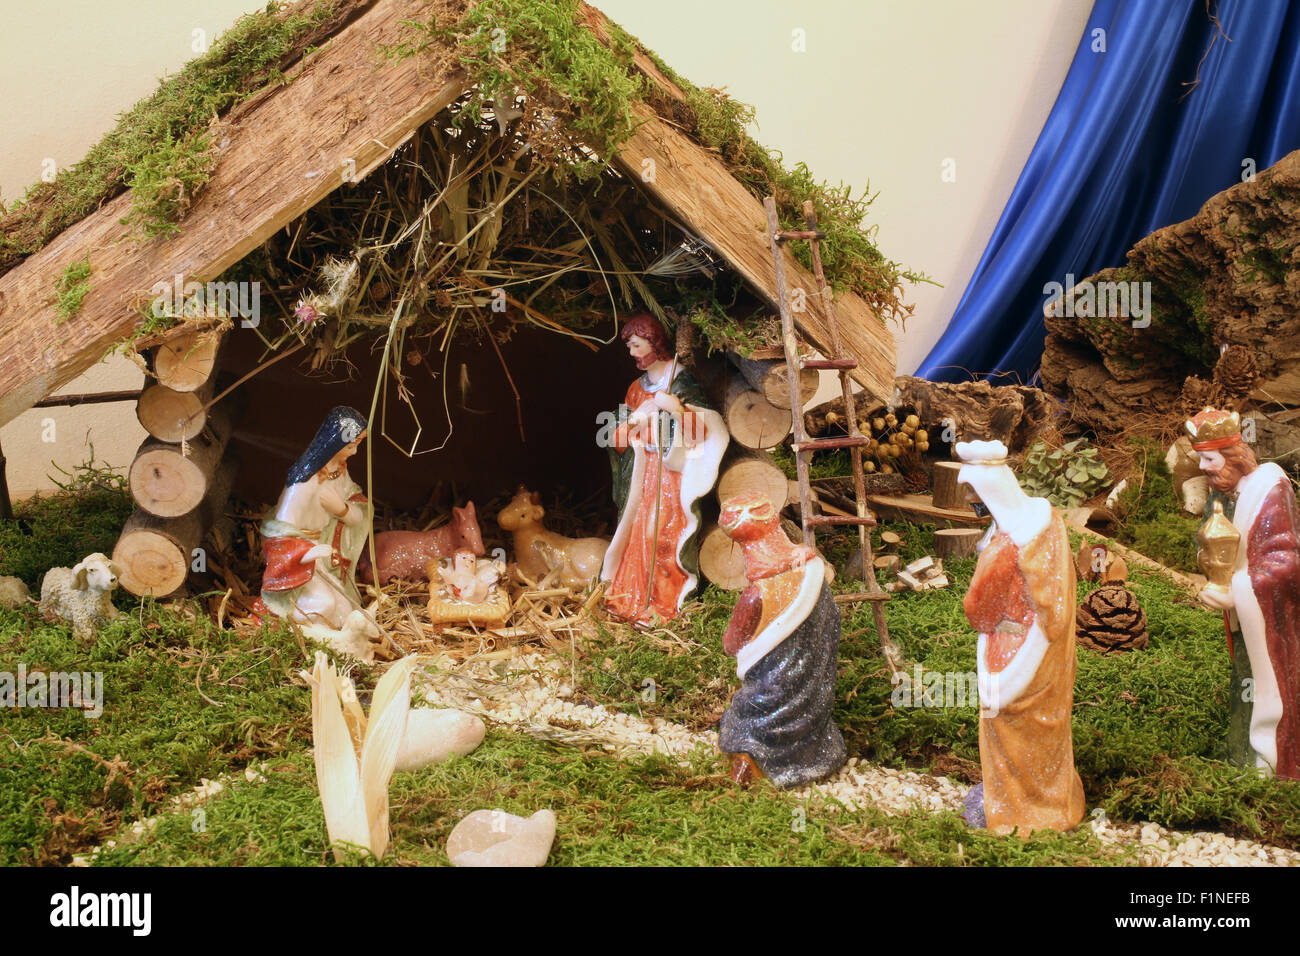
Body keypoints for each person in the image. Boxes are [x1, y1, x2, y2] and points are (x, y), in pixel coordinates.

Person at [958, 439, 1085, 835]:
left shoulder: (1003, 548)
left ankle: (1015, 806)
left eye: (974, 498)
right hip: (1048, 650)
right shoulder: (1048, 523)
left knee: (1008, 729)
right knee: (1045, 728)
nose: (971, 506)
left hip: (1012, 651)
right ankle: (1049, 797)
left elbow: (978, 609)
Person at [1189, 407, 1300, 780]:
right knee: (1245, 687)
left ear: (1233, 456)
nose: (1204, 467)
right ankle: (1245, 759)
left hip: (1272, 625)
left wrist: (1236, 592)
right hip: (1247, 625)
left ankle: (1273, 768)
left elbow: (1285, 562)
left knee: (1273, 693)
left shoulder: (1271, 491)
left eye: (1209, 458)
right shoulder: (1230, 494)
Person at [599, 313, 727, 623]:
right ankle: (632, 598)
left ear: (655, 343)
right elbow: (617, 438)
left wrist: (677, 410)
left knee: (662, 533)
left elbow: (702, 434)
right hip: (643, 475)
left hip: (672, 477)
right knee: (638, 533)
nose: (632, 353)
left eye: (637, 345)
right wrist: (634, 420)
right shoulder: (636, 388)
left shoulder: (681, 382)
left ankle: (664, 603)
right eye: (629, 346)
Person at [716, 492, 846, 788]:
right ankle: (813, 756)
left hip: (768, 696)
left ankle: (751, 765)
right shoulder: (814, 572)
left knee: (744, 720)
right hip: (815, 701)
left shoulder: (755, 596)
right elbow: (832, 623)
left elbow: (731, 645)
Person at [256, 406, 373, 632]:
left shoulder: (338, 470)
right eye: (351, 446)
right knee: (325, 604)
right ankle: (294, 630)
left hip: (322, 551)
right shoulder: (304, 483)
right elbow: (280, 531)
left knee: (344, 610)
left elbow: (358, 514)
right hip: (299, 555)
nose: (355, 452)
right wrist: (307, 553)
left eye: (357, 445)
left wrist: (342, 510)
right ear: (334, 443)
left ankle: (322, 636)